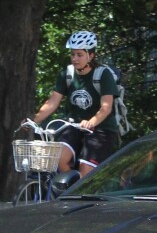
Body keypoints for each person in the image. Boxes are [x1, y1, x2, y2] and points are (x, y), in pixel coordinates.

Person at [30, 30, 120, 177]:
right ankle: (70, 189)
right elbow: (52, 102)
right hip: (75, 126)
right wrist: (33, 121)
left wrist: (91, 122)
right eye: (73, 54)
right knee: (59, 158)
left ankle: (81, 194)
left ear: (90, 55)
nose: (75, 59)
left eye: (80, 55)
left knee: (86, 170)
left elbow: (106, 108)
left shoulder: (103, 75)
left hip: (101, 129)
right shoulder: (67, 74)